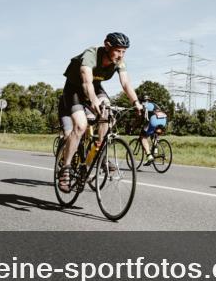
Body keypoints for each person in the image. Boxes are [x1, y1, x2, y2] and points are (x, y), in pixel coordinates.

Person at [57, 32, 143, 192]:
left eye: (124, 51)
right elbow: (86, 81)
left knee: (108, 114)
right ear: (107, 46)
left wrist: (136, 102)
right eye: (118, 50)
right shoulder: (91, 55)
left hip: (95, 87)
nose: (121, 55)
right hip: (75, 89)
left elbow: (126, 83)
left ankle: (98, 151)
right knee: (81, 126)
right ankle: (66, 168)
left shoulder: (119, 62)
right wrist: (93, 100)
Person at [138, 97, 167, 164]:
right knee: (153, 133)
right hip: (163, 121)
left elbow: (140, 119)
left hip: (154, 120)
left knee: (143, 136)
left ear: (141, 101)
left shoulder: (142, 106)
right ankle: (155, 150)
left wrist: (134, 126)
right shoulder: (154, 104)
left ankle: (149, 155)